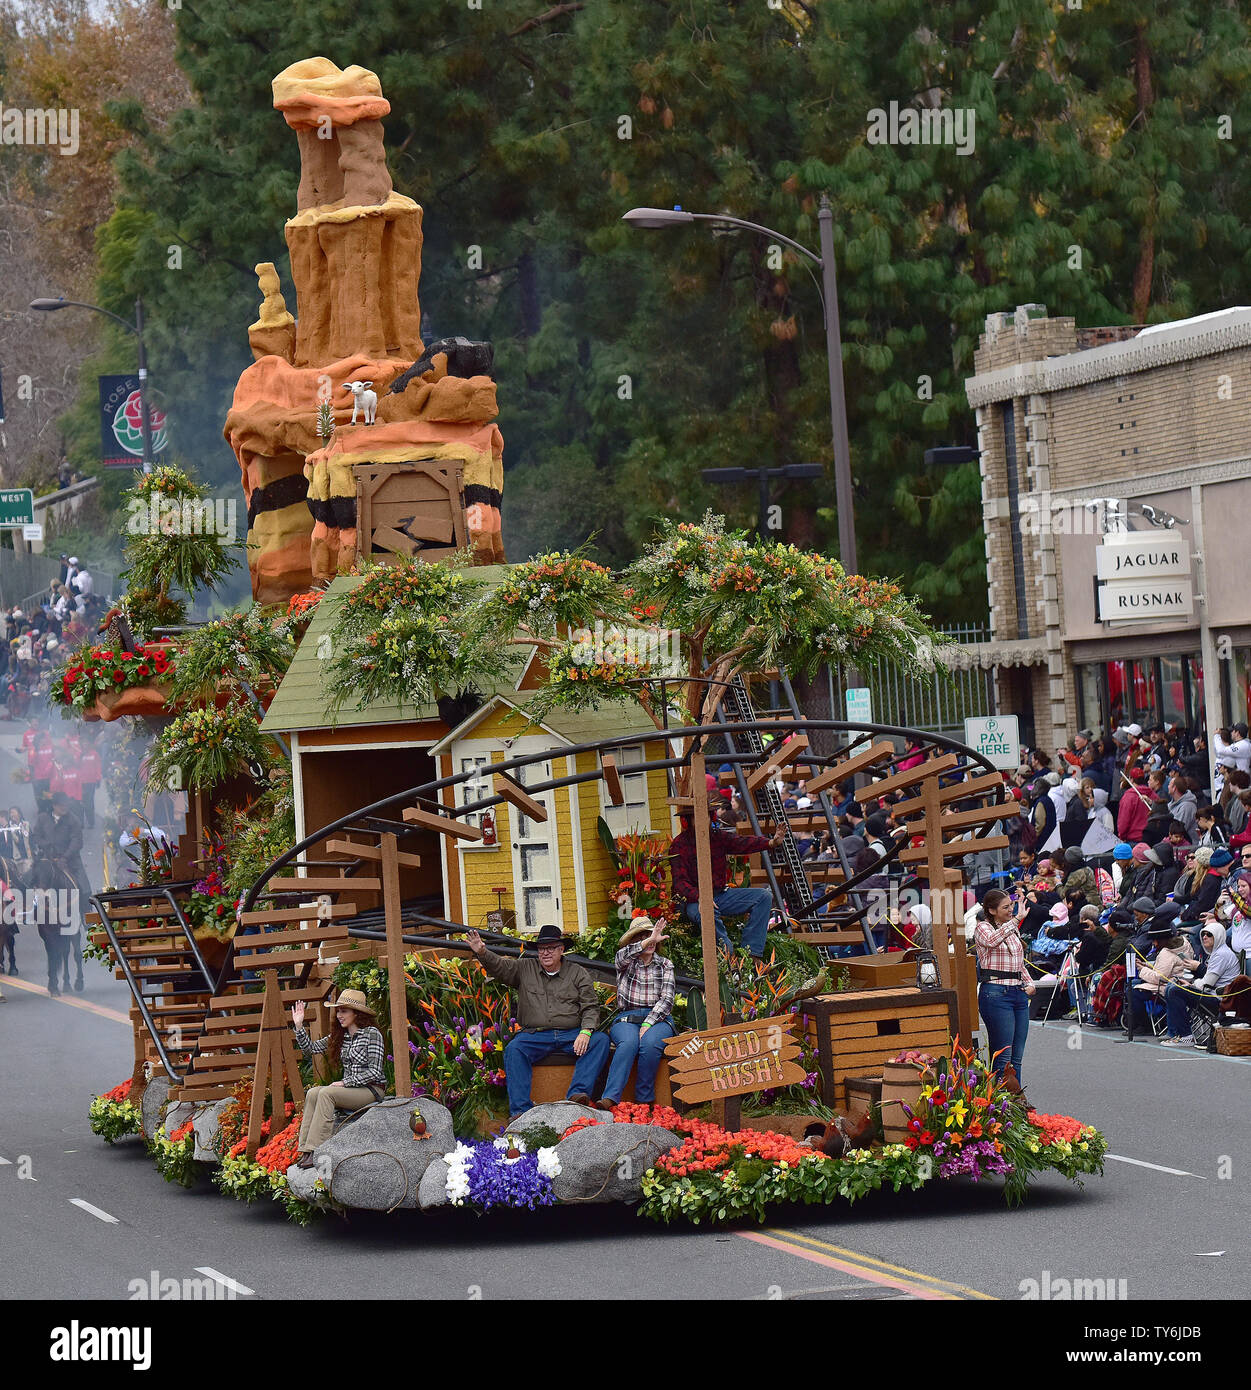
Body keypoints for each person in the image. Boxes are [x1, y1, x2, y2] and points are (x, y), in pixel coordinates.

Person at [466, 924, 610, 1118]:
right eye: (542, 949)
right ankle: (520, 1112)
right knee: (514, 1049)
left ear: (561, 949)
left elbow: (590, 1006)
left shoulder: (577, 973)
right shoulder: (524, 968)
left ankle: (577, 1095)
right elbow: (500, 967)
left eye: (551, 948)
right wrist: (482, 952)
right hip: (536, 1035)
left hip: (571, 1035)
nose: (546, 953)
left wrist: (585, 1032)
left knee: (600, 1040)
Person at [669, 793, 786, 961]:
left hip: (721, 895)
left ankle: (751, 954)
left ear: (711, 818)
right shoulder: (679, 845)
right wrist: (701, 897)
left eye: (706, 817)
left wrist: (771, 843)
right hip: (694, 901)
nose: (703, 822)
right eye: (696, 818)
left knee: (763, 896)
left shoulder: (718, 837)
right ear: (688, 821)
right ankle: (728, 955)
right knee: (706, 913)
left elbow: (742, 843)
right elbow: (680, 883)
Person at [291, 989, 386, 1166]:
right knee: (313, 1092)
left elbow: (375, 1071)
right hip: (350, 1090)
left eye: (344, 1011)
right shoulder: (340, 1036)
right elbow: (310, 1050)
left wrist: (345, 1082)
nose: (339, 1015)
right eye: (338, 1011)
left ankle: (316, 1149)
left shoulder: (371, 1034)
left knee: (327, 1093)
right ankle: (305, 1150)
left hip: (371, 1090)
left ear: (356, 1014)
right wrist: (299, 1026)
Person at [599, 915, 676, 1109]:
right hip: (627, 1017)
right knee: (628, 1044)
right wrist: (648, 940)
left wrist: (649, 1022)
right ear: (635, 941)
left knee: (650, 1044)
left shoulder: (665, 964)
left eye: (651, 935)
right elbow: (621, 956)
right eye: (642, 937)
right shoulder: (625, 962)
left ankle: (644, 1101)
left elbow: (667, 1000)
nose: (650, 940)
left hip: (658, 1018)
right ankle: (610, 1098)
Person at [973, 887, 1035, 1082]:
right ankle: (1001, 1105)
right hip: (995, 993)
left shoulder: (1011, 927)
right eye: (1006, 907)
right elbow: (992, 941)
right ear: (992, 910)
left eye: (1012, 906)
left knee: (1017, 1056)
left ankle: (1015, 1101)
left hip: (1017, 992)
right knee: (1003, 1056)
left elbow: (1018, 962)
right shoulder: (983, 927)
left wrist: (1030, 982)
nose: (1011, 910)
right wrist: (1016, 920)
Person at [1161, 921, 1240, 1048]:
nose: (1204, 937)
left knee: (1175, 990)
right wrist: (1191, 984)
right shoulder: (1215, 953)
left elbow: (1207, 984)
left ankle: (1185, 1036)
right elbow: (1206, 983)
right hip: (1211, 993)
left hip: (1220, 999)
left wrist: (1192, 984)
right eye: (1203, 934)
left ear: (1218, 936)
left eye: (1209, 934)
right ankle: (1175, 1033)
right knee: (1172, 986)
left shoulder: (1221, 954)